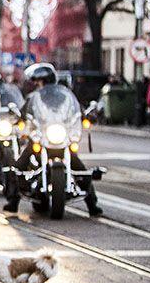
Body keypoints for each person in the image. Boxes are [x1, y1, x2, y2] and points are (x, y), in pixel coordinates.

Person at [7, 62, 102, 217]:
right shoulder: (34, 98)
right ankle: (13, 201)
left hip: (61, 138)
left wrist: (86, 115)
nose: (36, 84)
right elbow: (25, 113)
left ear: (46, 80)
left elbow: (75, 110)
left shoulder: (65, 96)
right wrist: (20, 118)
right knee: (19, 166)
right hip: (41, 137)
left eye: (38, 81)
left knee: (80, 168)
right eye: (36, 81)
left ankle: (92, 204)